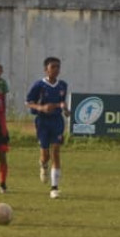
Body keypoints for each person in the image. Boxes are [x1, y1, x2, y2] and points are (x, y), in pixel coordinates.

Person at [26, 56, 69, 199]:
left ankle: (54, 187)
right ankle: (43, 165)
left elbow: (62, 102)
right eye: (53, 67)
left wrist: (66, 110)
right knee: (45, 155)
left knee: (56, 151)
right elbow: (28, 102)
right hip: (43, 122)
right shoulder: (39, 85)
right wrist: (41, 107)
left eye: (58, 67)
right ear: (46, 69)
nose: (56, 70)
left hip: (57, 121)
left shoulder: (62, 85)